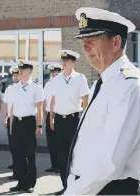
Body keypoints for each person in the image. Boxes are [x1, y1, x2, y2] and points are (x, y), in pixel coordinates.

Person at [63, 7, 140, 195]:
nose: (84, 46)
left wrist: (72, 192)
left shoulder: (129, 87)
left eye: (92, 39)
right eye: (83, 40)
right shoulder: (107, 82)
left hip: (109, 190)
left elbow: (110, 162)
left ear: (116, 42)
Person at [48, 50, 90, 194]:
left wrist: (84, 118)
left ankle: (76, 185)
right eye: (62, 61)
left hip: (73, 119)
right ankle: (65, 185)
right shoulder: (56, 79)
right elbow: (52, 100)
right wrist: (51, 117)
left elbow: (85, 100)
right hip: (59, 119)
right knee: (61, 154)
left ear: (73, 62)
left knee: (75, 153)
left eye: (66, 61)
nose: (63, 63)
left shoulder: (80, 78)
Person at [9, 61, 44, 193]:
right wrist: (11, 125)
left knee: (29, 154)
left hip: (29, 122)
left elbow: (39, 107)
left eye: (23, 69)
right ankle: (21, 182)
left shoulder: (36, 87)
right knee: (18, 154)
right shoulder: (14, 87)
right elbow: (12, 108)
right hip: (17, 122)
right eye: (20, 69)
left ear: (30, 71)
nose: (21, 71)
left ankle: (30, 183)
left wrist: (39, 125)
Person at [2, 66, 20, 180]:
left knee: (22, 148)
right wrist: (4, 118)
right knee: (13, 147)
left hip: (21, 120)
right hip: (11, 120)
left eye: (16, 75)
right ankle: (16, 171)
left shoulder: (25, 87)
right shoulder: (9, 88)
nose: (15, 77)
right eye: (13, 75)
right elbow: (5, 104)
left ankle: (23, 171)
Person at [43, 63, 62, 173]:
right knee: (51, 142)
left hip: (59, 114)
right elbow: (45, 101)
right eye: (52, 73)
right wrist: (46, 116)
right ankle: (54, 164)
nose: (53, 74)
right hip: (50, 114)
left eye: (56, 72)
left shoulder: (62, 84)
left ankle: (61, 165)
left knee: (59, 142)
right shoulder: (48, 84)